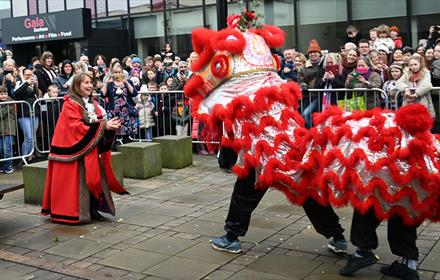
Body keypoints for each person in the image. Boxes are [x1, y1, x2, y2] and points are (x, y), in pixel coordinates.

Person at [41, 73, 128, 224]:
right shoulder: (70, 103)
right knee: (81, 182)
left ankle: (93, 210)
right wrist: (103, 125)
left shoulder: (90, 102)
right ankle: (77, 212)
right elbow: (75, 127)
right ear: (77, 85)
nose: (90, 86)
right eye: (86, 83)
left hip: (87, 148)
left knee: (94, 179)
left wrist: (107, 126)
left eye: (91, 83)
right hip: (74, 150)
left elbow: (94, 121)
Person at [101, 64, 139, 144]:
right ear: (112, 73)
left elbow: (134, 93)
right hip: (113, 111)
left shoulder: (128, 82)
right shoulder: (110, 84)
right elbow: (103, 95)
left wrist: (126, 83)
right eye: (115, 72)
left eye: (119, 72)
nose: (117, 74)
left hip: (126, 111)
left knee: (126, 134)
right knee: (113, 133)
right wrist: (105, 84)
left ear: (122, 73)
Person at [14, 68, 41, 162]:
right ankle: (24, 157)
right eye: (27, 74)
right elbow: (16, 93)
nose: (29, 76)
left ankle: (30, 155)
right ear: (23, 74)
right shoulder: (19, 82)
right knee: (28, 137)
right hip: (24, 114)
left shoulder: (33, 84)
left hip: (34, 112)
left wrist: (35, 86)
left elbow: (37, 95)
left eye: (30, 74)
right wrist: (26, 83)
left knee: (33, 136)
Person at [396, 54, 435, 118]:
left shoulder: (426, 72)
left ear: (420, 64)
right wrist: (406, 88)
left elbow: (427, 84)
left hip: (422, 101)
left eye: (415, 64)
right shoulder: (406, 72)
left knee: (422, 121)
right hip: (409, 101)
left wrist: (416, 94)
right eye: (411, 65)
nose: (413, 67)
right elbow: (398, 82)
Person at [298, 39, 323, 128]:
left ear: (319, 53)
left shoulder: (323, 65)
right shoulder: (303, 68)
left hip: (319, 96)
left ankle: (312, 133)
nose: (313, 54)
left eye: (315, 52)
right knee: (302, 116)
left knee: (306, 114)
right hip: (307, 96)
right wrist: (303, 85)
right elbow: (300, 80)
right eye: (311, 52)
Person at [0, 85, 16, 174]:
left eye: (5, 93)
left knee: (7, 148)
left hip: (9, 128)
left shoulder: (10, 102)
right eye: (1, 94)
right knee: (1, 148)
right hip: (1, 129)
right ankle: (4, 165)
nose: (3, 95)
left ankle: (9, 165)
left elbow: (2, 113)